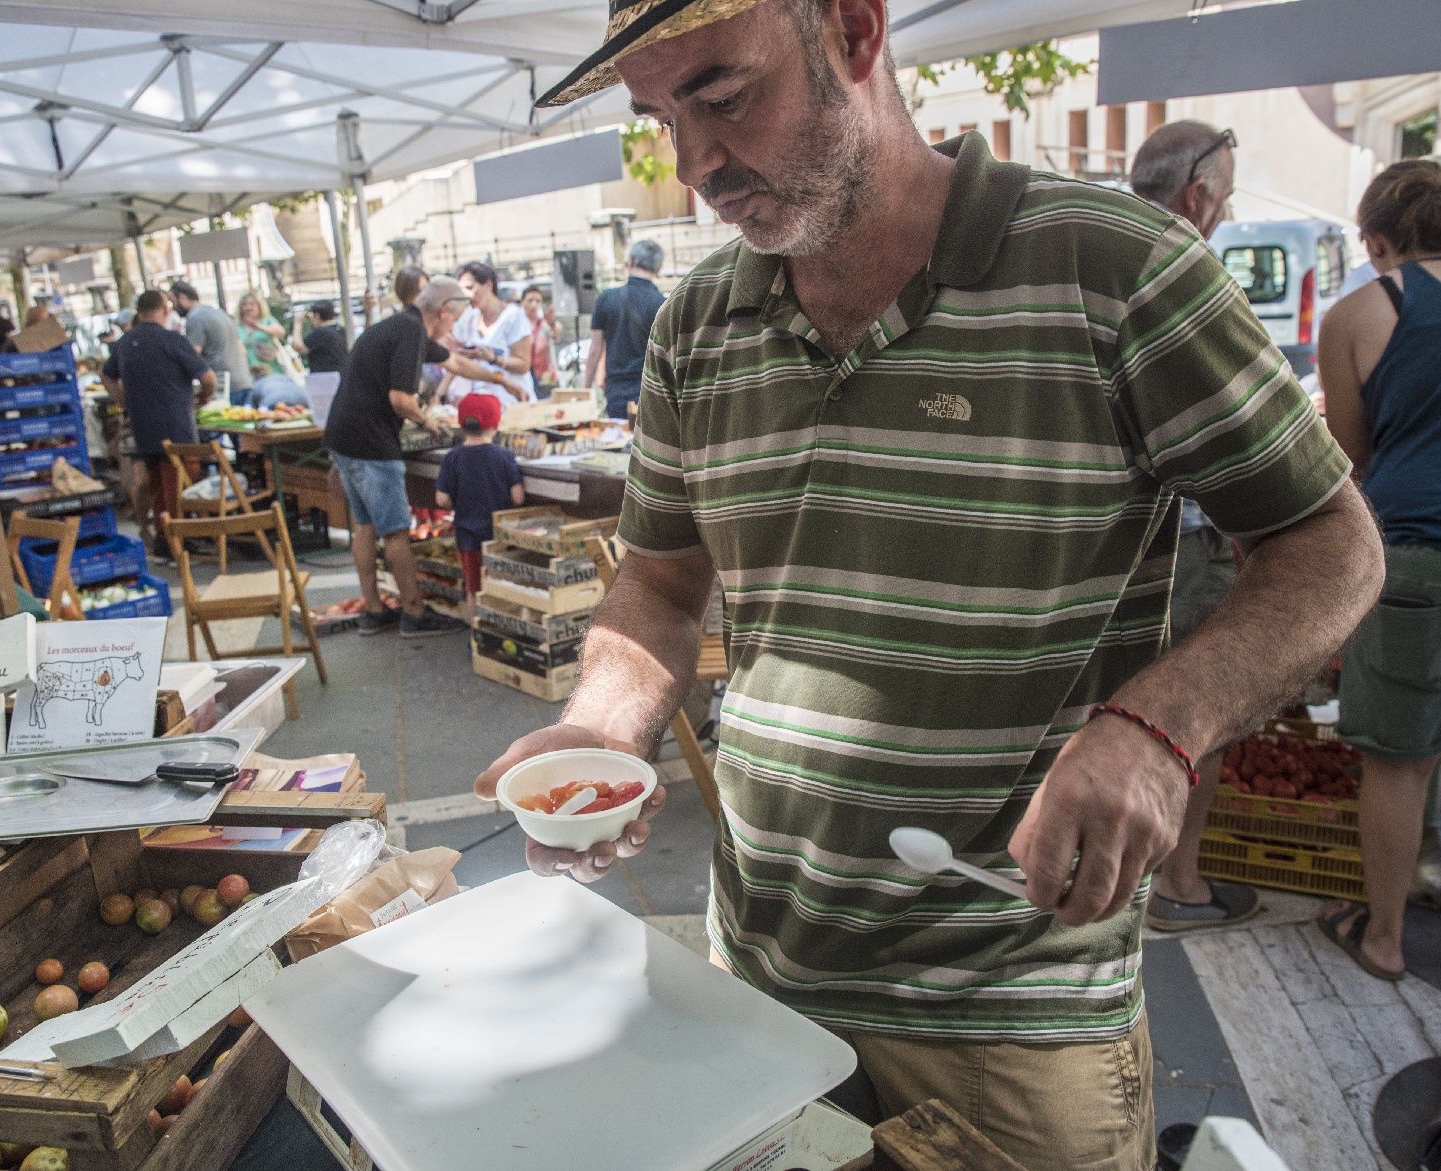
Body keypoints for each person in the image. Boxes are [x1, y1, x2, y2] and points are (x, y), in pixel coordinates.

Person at [476, 0, 1386, 1165]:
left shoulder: (1114, 268)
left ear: (852, 33)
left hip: (1014, 1014)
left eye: (718, 94)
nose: (695, 163)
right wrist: (597, 737)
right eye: (658, 118)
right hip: (755, 973)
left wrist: (1158, 726)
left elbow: (1329, 543)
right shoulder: (695, 326)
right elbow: (657, 584)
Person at [1314, 160, 1441, 999]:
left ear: (1381, 241)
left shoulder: (1363, 311)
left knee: (1398, 762)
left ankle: (1387, 938)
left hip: (1414, 561)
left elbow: (1348, 463)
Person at [1126, 121, 1258, 932]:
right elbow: (1239, 448)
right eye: (1228, 195)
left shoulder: (1094, 253)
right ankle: (1177, 881)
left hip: (1112, 542)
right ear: (1200, 194)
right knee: (1191, 711)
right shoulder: (1185, 270)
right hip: (1186, 534)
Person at [323, 276, 518, 639]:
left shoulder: (398, 328)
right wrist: (428, 421)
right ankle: (414, 613)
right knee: (395, 531)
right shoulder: (411, 333)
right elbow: (401, 400)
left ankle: (374, 610)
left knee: (363, 527)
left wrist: (500, 378)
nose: (453, 327)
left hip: (342, 436)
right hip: (370, 443)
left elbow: (456, 363)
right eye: (454, 320)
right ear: (443, 313)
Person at [101, 289, 217, 557]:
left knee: (157, 485)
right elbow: (208, 378)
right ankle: (180, 539)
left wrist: (123, 401)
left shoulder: (125, 342)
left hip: (144, 426)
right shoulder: (173, 340)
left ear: (139, 312)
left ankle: (164, 538)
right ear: (165, 310)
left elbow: (107, 376)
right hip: (176, 425)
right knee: (181, 484)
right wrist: (203, 397)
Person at [436, 392, 526, 625]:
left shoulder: (452, 458)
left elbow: (441, 500)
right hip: (499, 537)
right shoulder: (504, 456)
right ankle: (499, 629)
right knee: (501, 585)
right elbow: (517, 498)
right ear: (495, 424)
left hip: (468, 537)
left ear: (461, 423)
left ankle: (476, 636)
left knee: (473, 589)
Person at [585, 238, 665, 418]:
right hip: (651, 393)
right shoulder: (663, 304)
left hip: (616, 391)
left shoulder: (606, 298)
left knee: (618, 442)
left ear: (632, 261)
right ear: (657, 269)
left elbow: (594, 351)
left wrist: (584, 391)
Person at [446, 261, 535, 407]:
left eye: (470, 288)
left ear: (488, 285)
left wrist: (493, 358)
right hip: (480, 404)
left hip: (512, 402)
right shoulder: (468, 318)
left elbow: (523, 364)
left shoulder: (513, 316)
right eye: (462, 290)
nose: (467, 295)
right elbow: (456, 362)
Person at [170, 281, 253, 406]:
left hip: (224, 388)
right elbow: (242, 350)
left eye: (172, 302)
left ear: (181, 297)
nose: (172, 308)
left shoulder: (195, 318)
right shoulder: (219, 312)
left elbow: (193, 356)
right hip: (243, 382)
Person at [236, 292, 288, 378]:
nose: (248, 308)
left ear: (259, 306)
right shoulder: (237, 328)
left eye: (252, 304)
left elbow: (281, 332)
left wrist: (258, 326)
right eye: (245, 305)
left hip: (271, 371)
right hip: (249, 373)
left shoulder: (268, 321)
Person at [293, 300, 348, 375]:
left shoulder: (321, 332)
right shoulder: (340, 329)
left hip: (325, 379)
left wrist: (298, 322)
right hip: (341, 375)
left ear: (317, 315)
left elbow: (298, 347)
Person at [521, 286, 557, 393]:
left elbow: (552, 344)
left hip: (542, 375)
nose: (534, 304)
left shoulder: (544, 325)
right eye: (530, 300)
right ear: (523, 302)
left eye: (537, 301)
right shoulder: (517, 324)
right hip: (523, 373)